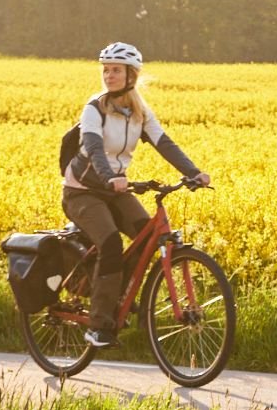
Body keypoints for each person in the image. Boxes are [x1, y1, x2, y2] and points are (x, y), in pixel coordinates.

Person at [62, 42, 210, 347]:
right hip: (83, 192)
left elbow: (164, 143)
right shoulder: (94, 108)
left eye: (116, 70)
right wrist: (110, 176)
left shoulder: (139, 112)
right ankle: (98, 325)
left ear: (132, 75)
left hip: (115, 189)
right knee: (111, 242)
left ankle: (120, 298)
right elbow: (92, 146)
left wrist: (193, 172)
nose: (109, 75)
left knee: (147, 237)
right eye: (106, 70)